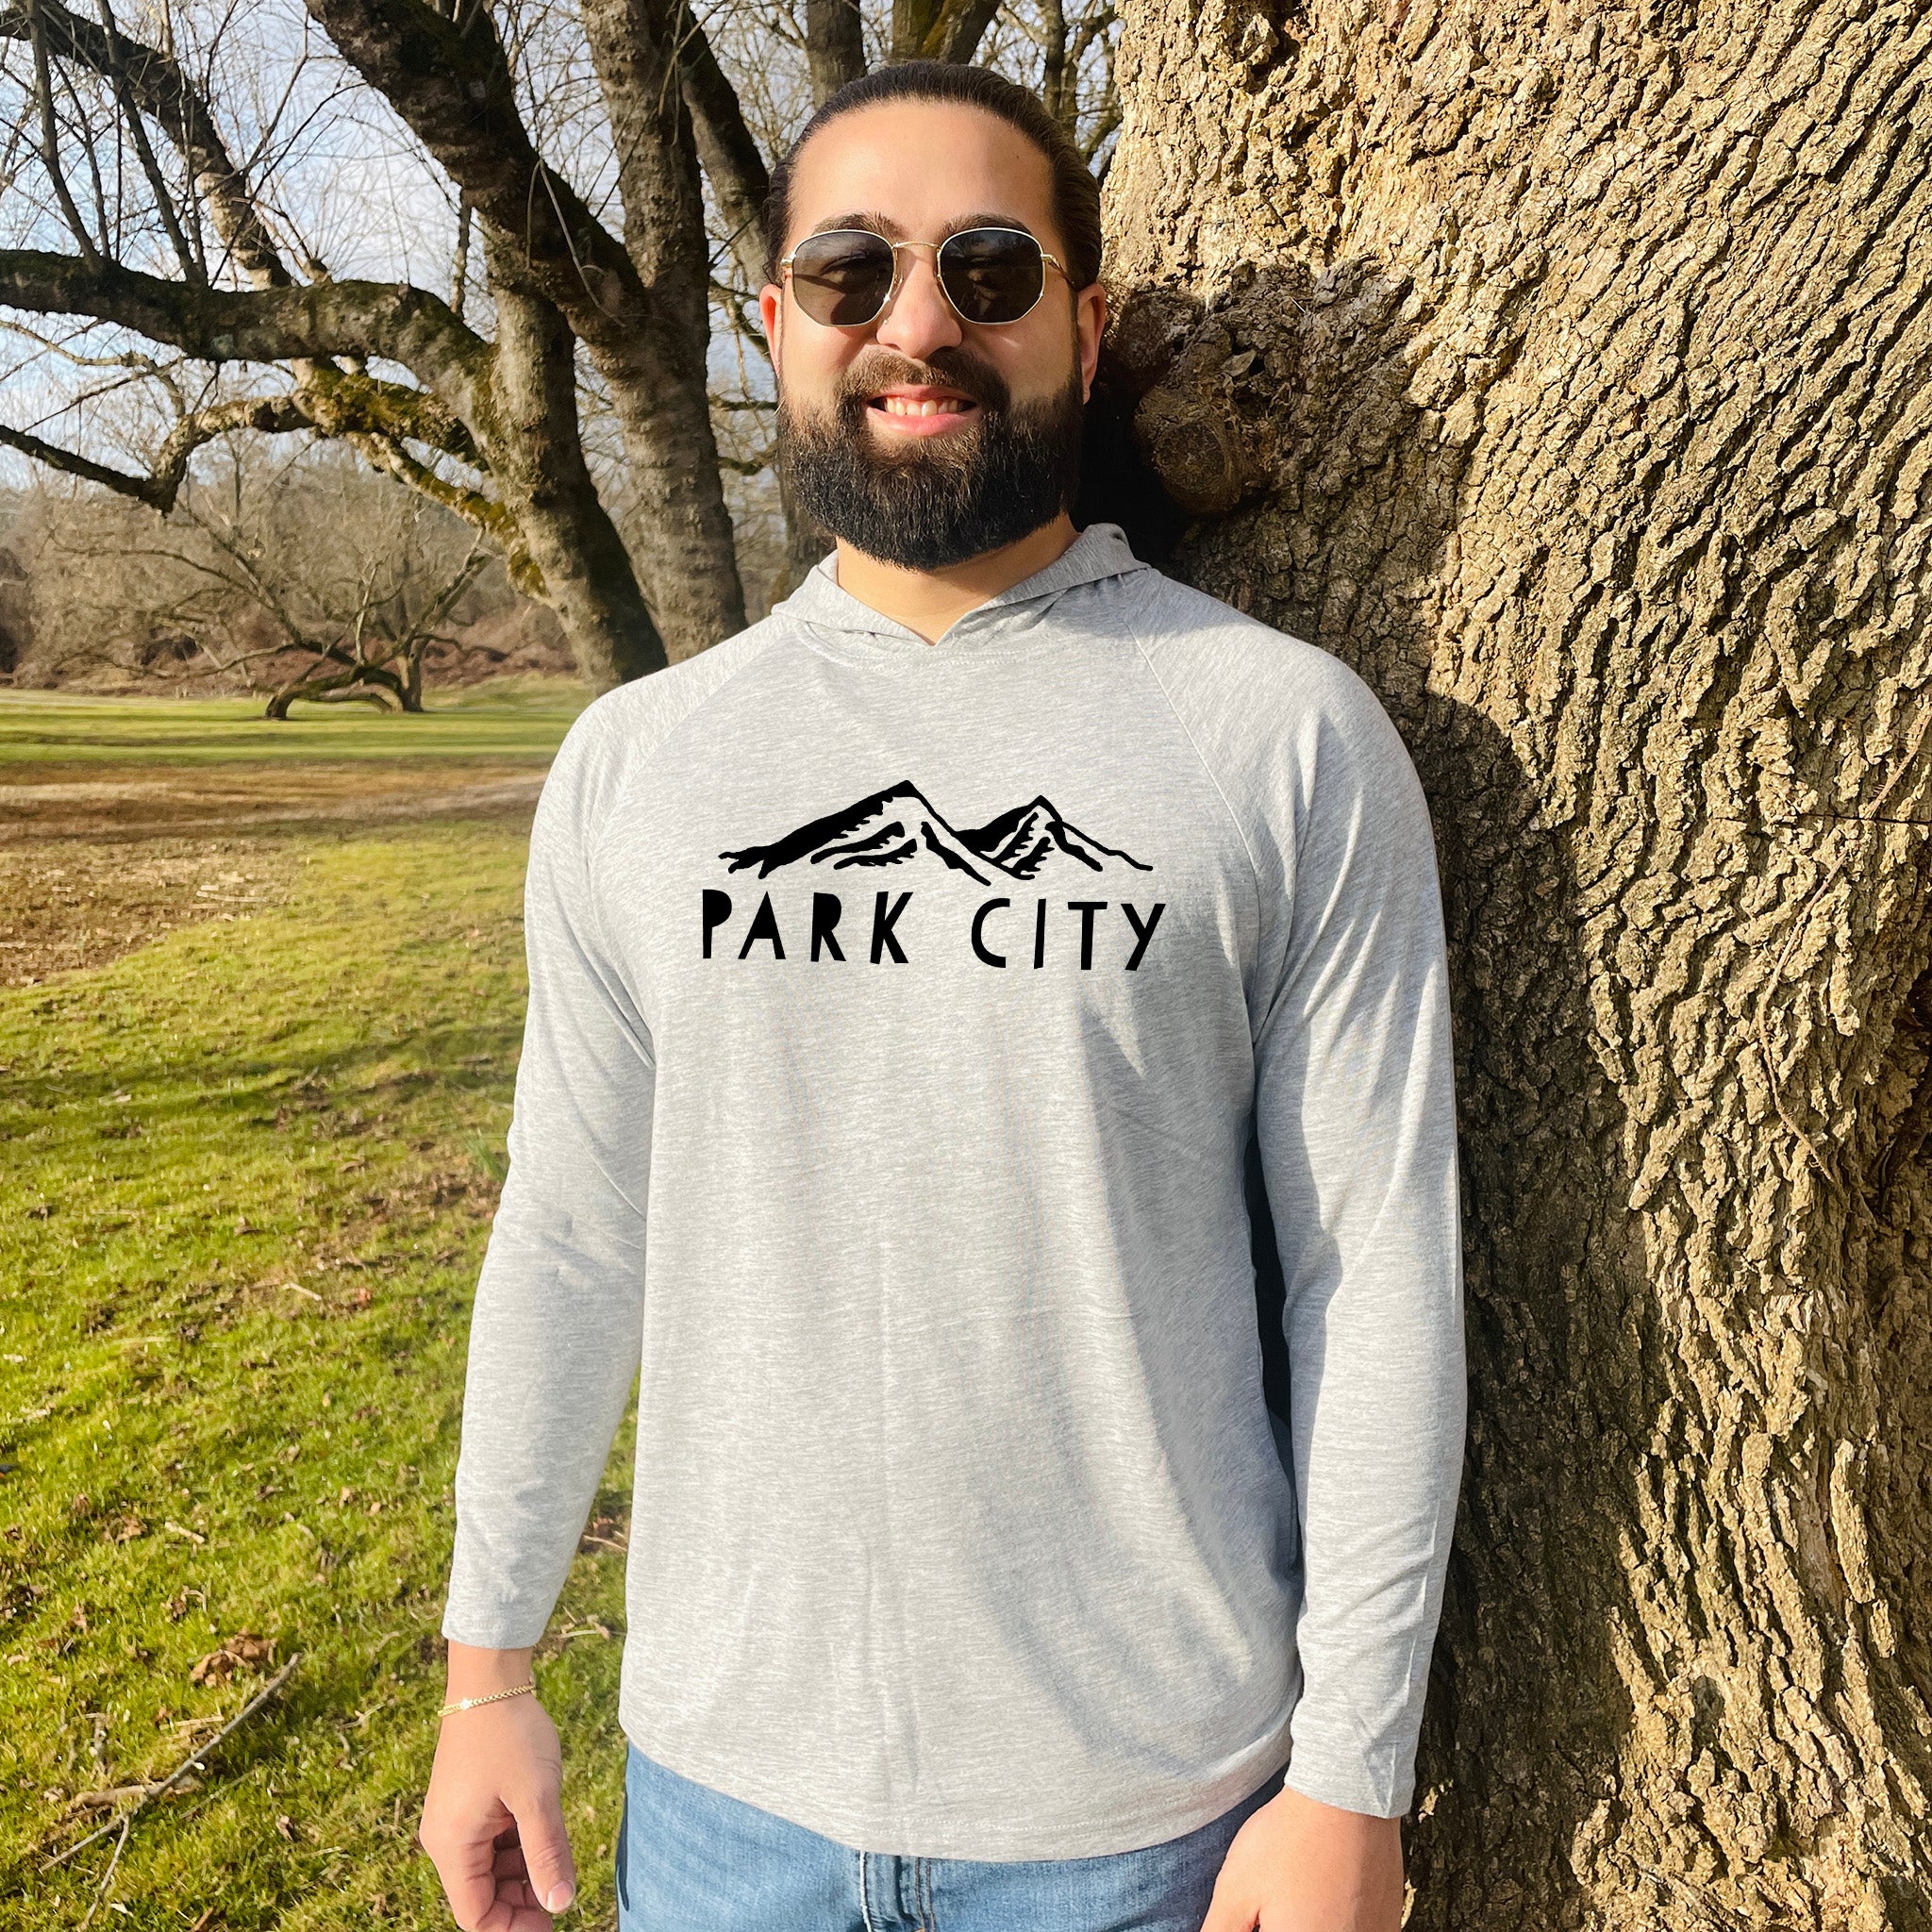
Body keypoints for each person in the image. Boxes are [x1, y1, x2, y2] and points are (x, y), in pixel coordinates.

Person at [419, 58, 1466, 1932]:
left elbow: (1372, 1270)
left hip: (1150, 1815)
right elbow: (571, 1234)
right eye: (851, 272)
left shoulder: (1283, 739)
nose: (916, 325)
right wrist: (487, 1674)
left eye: (988, 269)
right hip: (718, 1802)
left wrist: (1350, 1776)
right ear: (775, 328)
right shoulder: (637, 765)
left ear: (1086, 323)